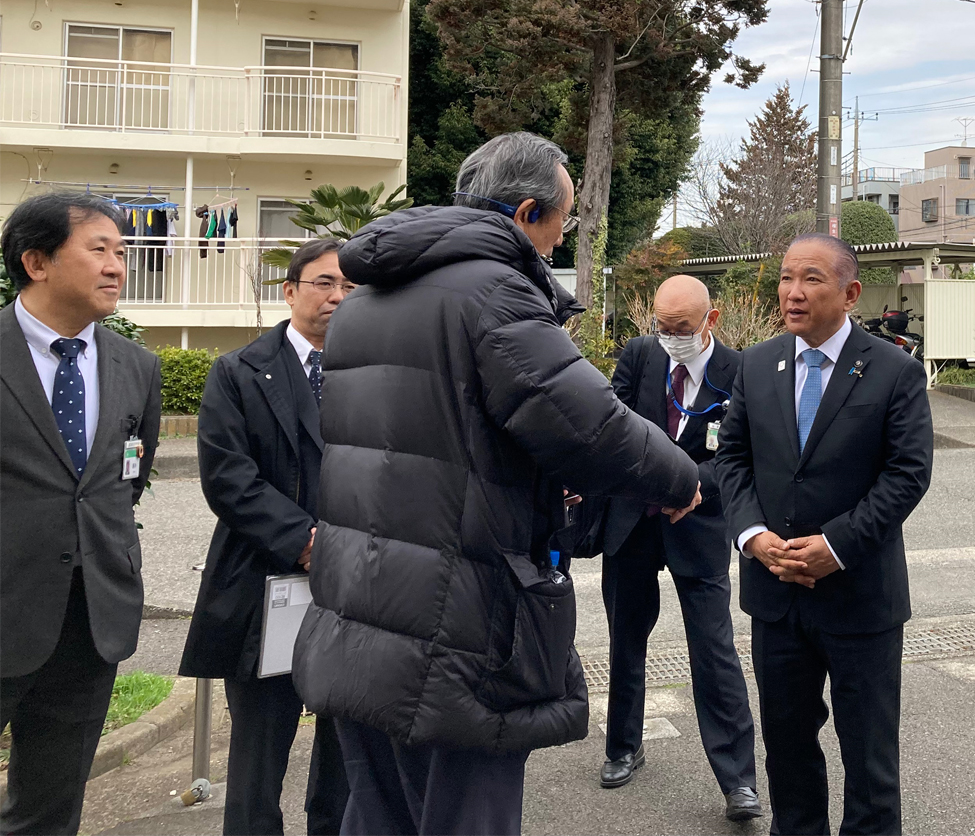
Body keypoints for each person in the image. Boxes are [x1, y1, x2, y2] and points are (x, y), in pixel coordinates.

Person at [292, 131, 702, 836]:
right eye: (561, 222)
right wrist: (680, 476)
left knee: (380, 813)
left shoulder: (364, 301)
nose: (559, 240)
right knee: (464, 815)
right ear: (524, 213)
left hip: (359, 606)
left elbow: (442, 434)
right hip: (457, 616)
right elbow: (590, 425)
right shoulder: (494, 292)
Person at [713, 234, 933, 836]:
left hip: (860, 596)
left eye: (811, 278)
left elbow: (908, 475)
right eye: (786, 277)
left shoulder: (894, 371)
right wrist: (752, 534)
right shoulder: (757, 365)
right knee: (786, 747)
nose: (793, 292)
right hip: (776, 595)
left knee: (868, 756)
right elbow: (731, 459)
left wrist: (836, 547)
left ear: (850, 292)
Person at [178, 238, 352, 836]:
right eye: (324, 283)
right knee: (258, 758)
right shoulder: (238, 371)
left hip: (357, 589)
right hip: (263, 586)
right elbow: (228, 478)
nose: (338, 296)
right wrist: (307, 541)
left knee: (347, 755)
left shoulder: (377, 372)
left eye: (351, 287)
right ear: (289, 291)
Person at [1, 193, 161, 835]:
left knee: (49, 808)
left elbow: (126, 479)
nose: (117, 266)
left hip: (90, 616)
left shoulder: (137, 366)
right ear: (36, 261)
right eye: (99, 250)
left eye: (122, 253)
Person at [598, 274, 760, 821]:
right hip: (633, 524)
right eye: (663, 327)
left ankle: (739, 780)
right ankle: (623, 746)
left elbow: (739, 457)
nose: (671, 338)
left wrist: (696, 487)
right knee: (626, 639)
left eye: (682, 328)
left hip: (699, 528)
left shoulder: (737, 373)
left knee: (714, 651)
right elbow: (610, 428)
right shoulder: (640, 357)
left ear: (710, 321)